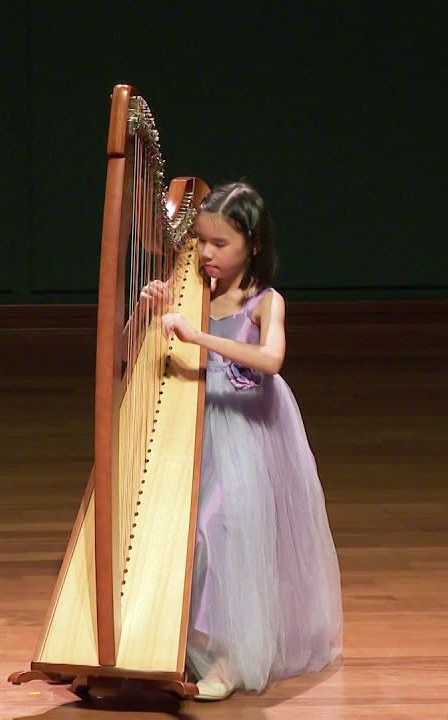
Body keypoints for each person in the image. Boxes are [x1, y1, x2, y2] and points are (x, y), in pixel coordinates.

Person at [143, 181, 343, 702]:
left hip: (249, 433)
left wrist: (199, 337)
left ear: (253, 245)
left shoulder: (264, 302)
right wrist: (147, 314)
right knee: (187, 532)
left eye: (220, 244)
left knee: (221, 527)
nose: (206, 254)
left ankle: (230, 659)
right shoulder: (190, 288)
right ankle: (182, 641)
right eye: (201, 242)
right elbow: (132, 356)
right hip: (198, 427)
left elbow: (271, 360)